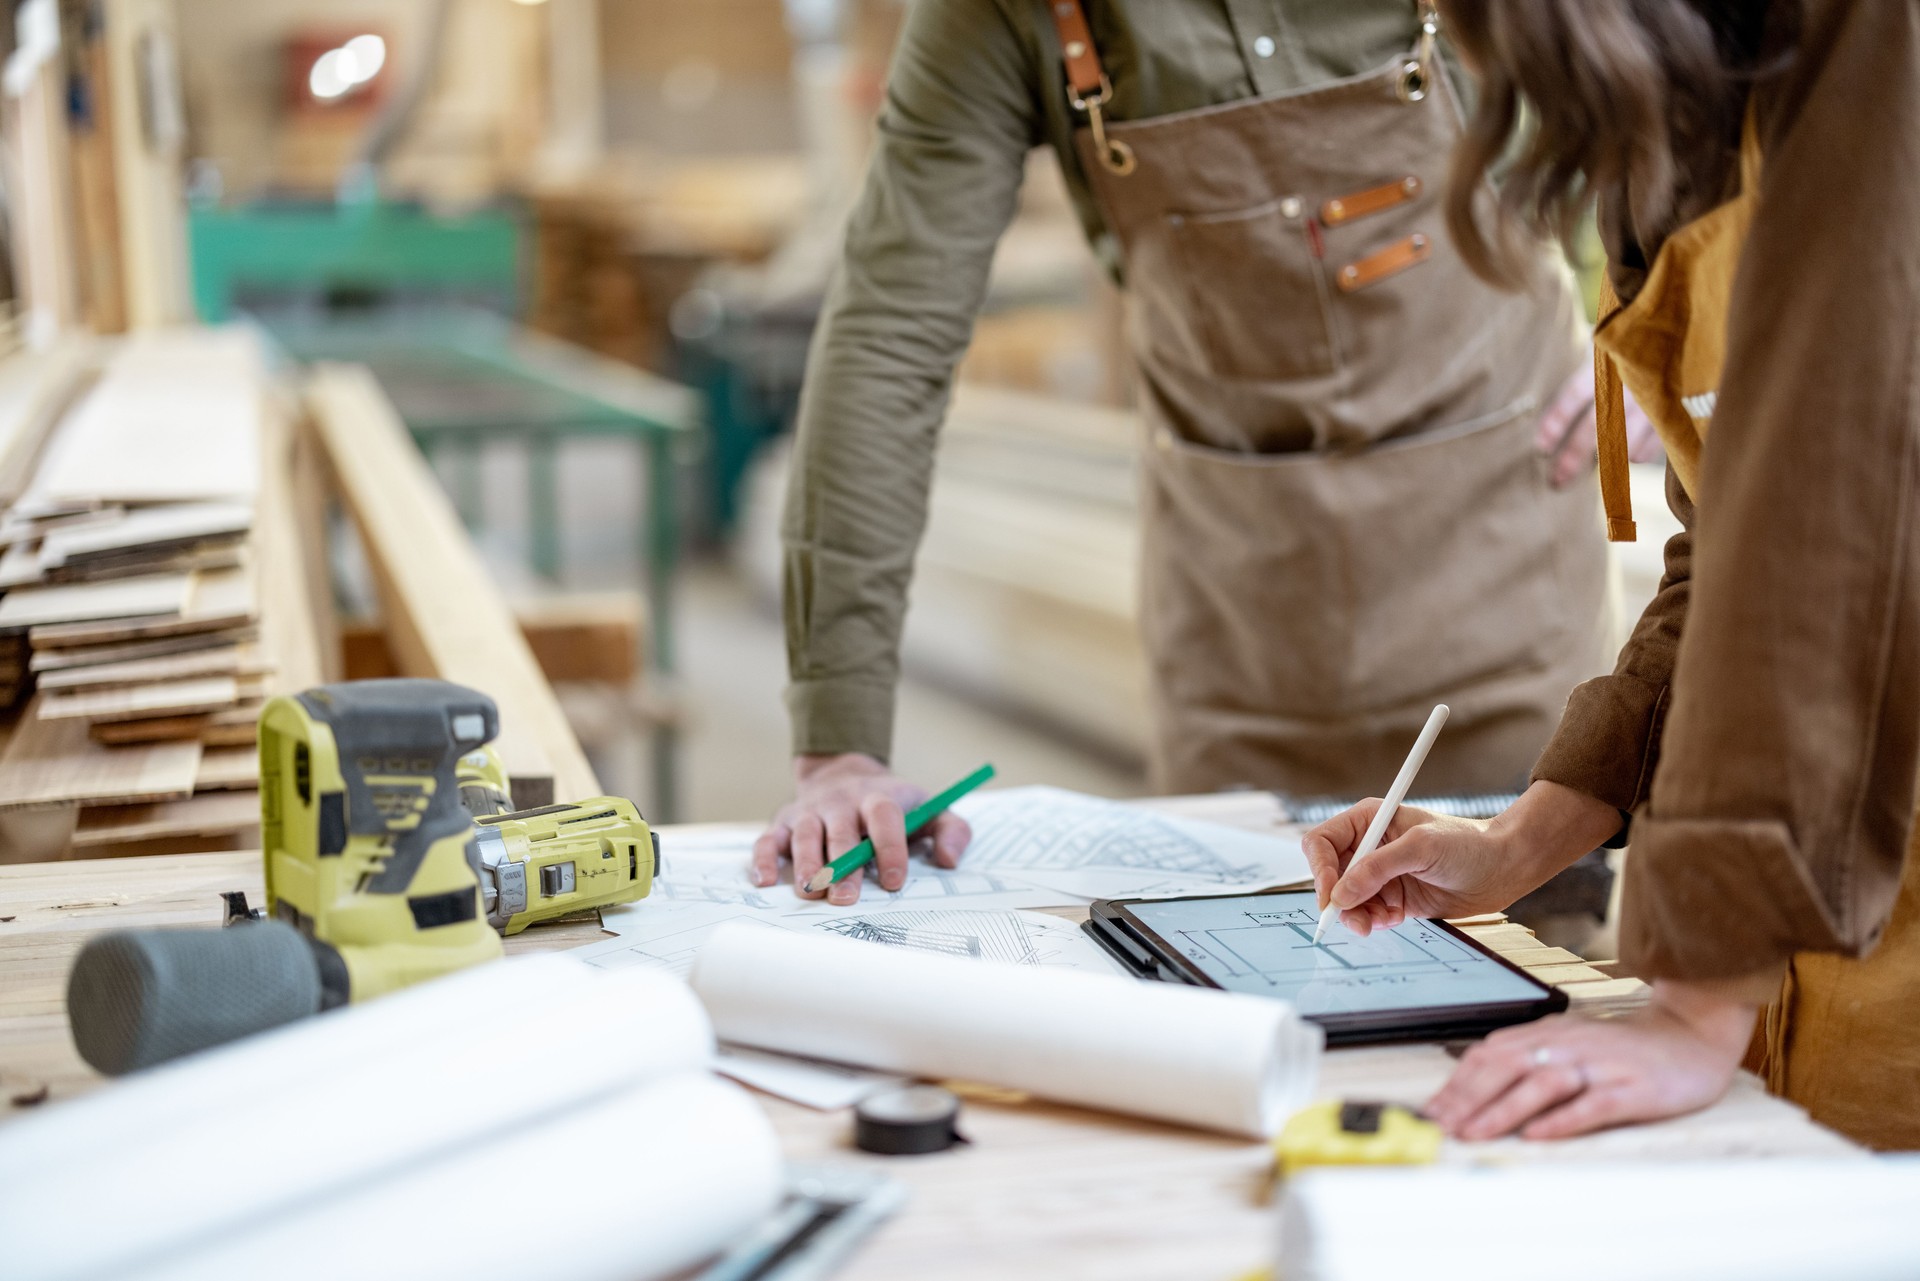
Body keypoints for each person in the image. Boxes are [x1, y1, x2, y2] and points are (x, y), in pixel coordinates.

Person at [754, 0, 1652, 906]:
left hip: (1509, 592)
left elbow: (1684, 82)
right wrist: (841, 744)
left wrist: (1676, 337)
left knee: (1537, 983)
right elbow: (891, 331)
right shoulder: (1010, 15)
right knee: (1237, 974)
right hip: (1241, 633)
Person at [1306, 0, 1920, 1150]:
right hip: (1789, 926)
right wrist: (1519, 845)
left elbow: (1834, 505)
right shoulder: (1680, 103)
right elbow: (1731, 543)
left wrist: (1694, 1001)